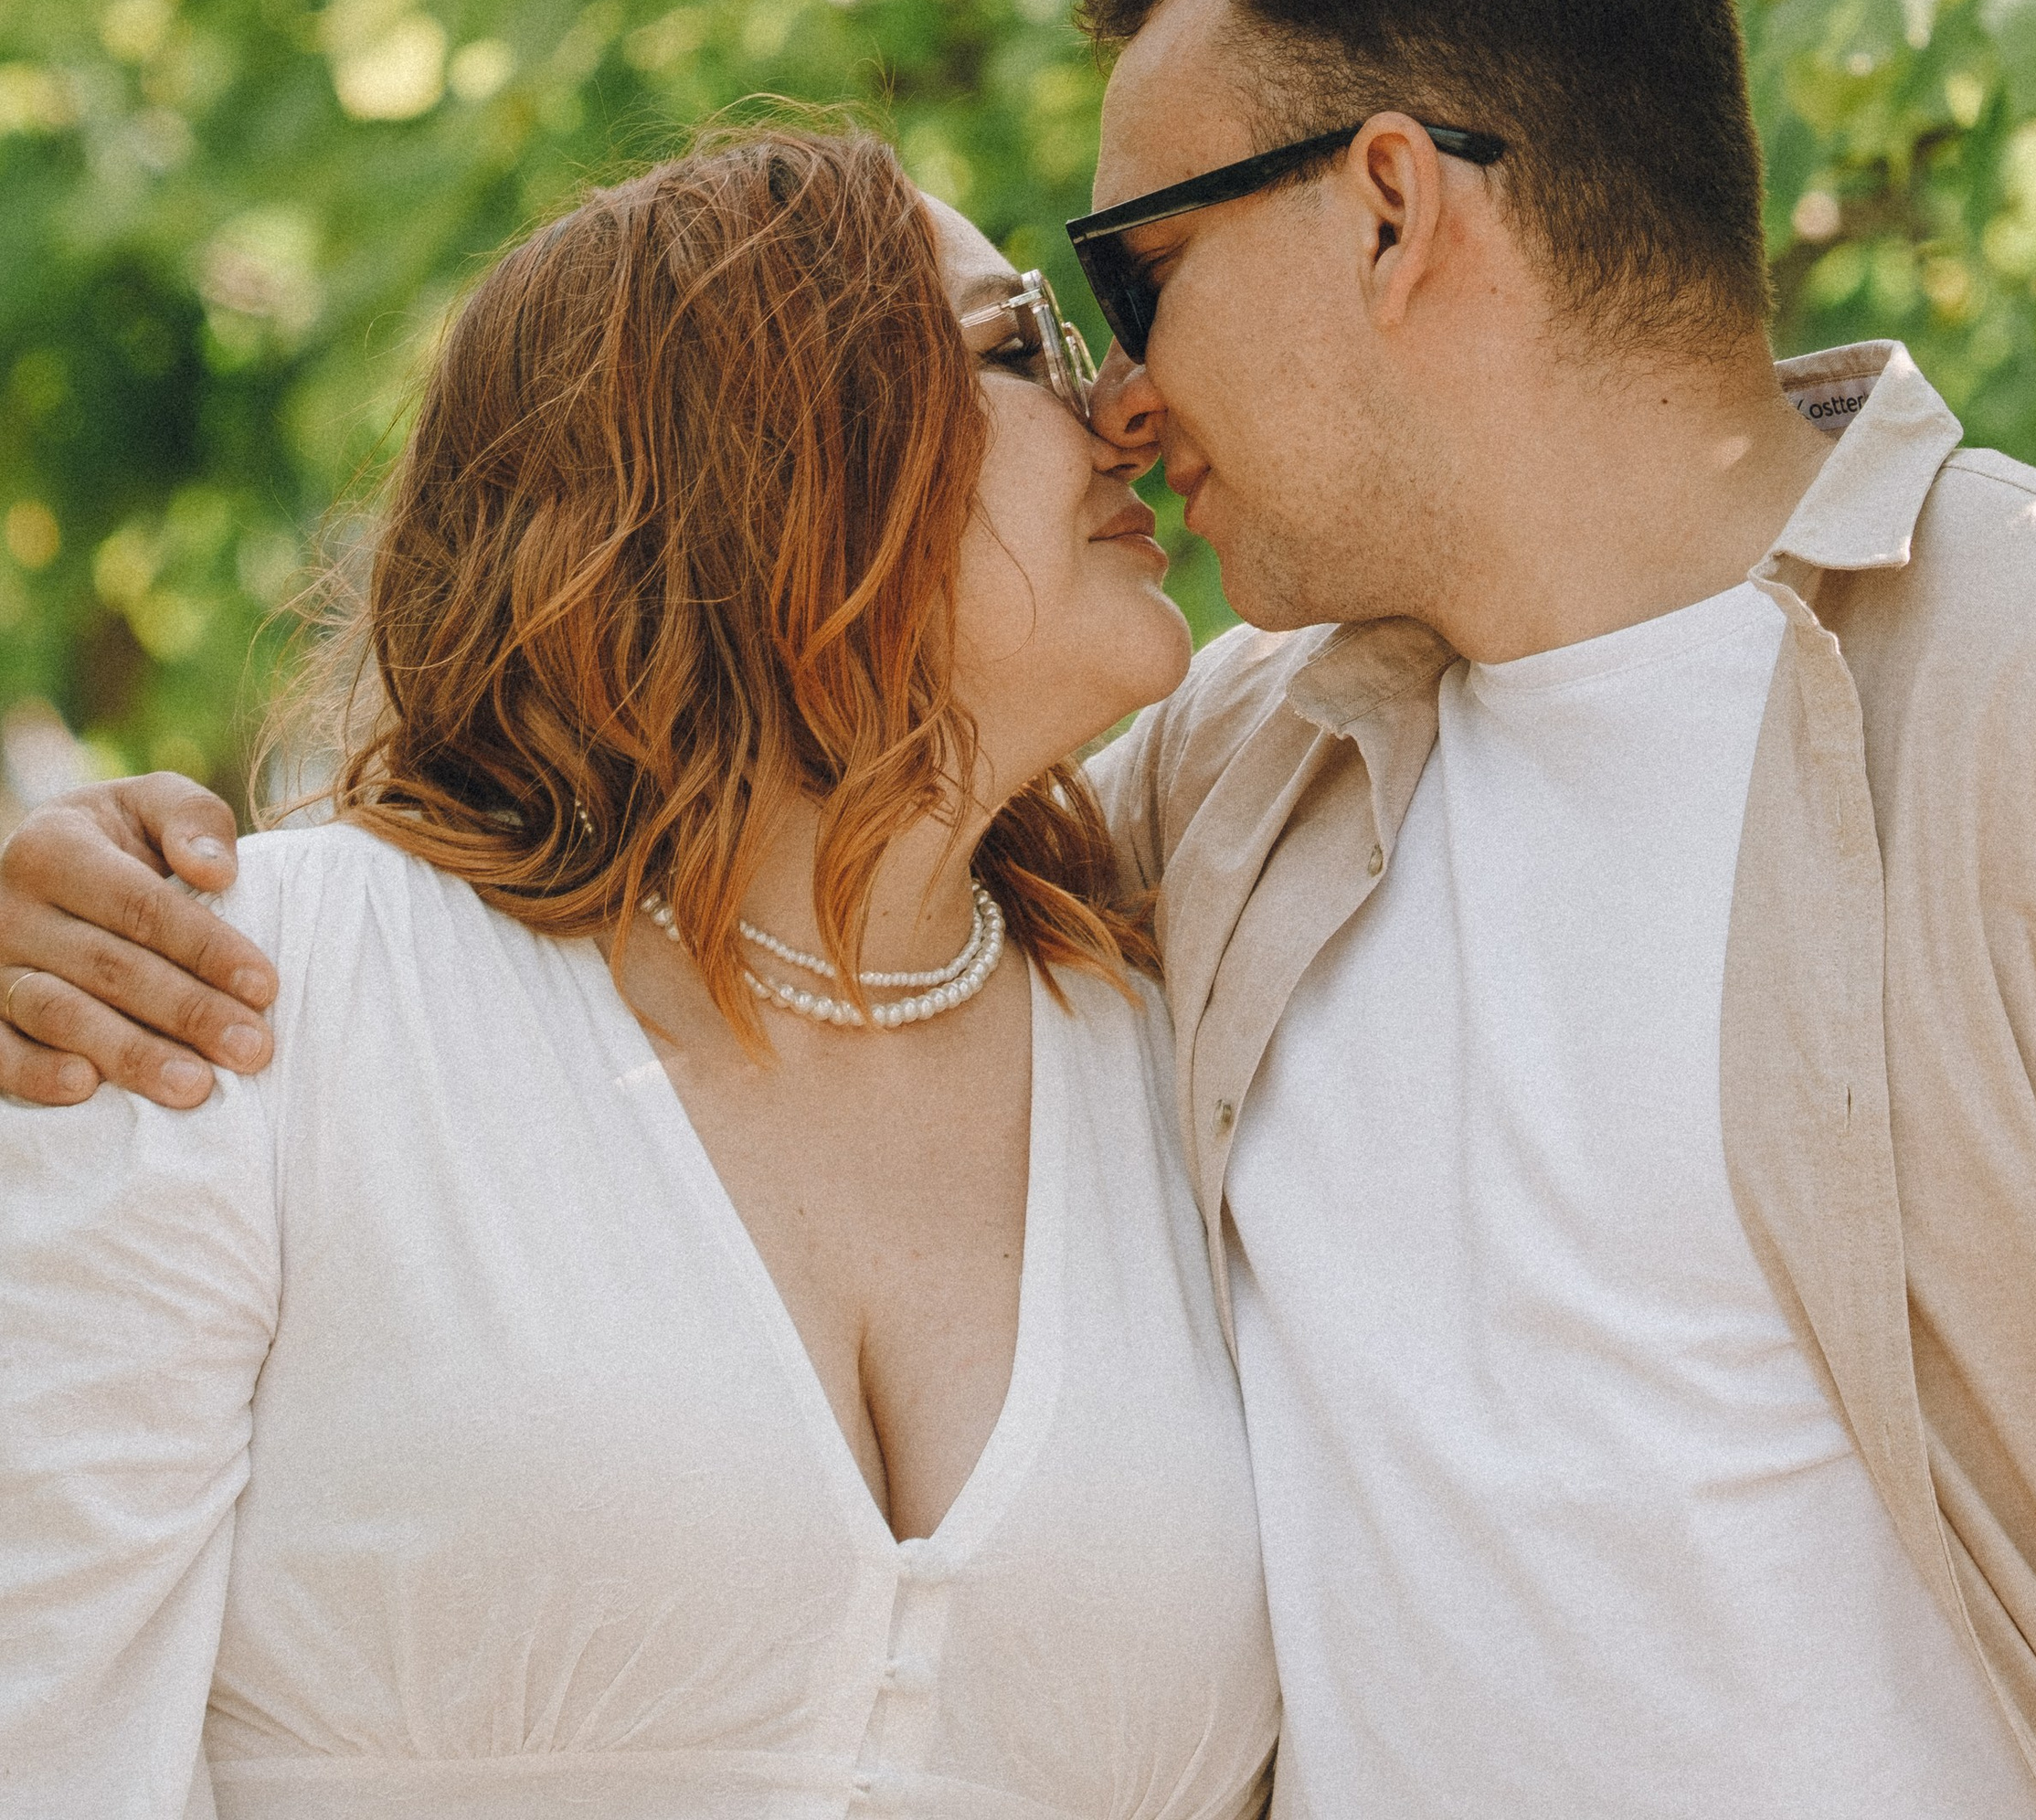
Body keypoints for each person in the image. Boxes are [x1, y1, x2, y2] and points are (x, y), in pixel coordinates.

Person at [12, 0, 2036, 1820]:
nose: (1118, 401)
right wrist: (60, 901)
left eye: (1125, 280)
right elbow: (758, 829)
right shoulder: (1232, 800)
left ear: (1391, 207)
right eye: (1040, 339)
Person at [0, 127, 1278, 1819]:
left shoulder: (1187, 1020)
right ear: (771, 447)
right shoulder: (229, 992)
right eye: (1023, 342)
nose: (1126, 404)